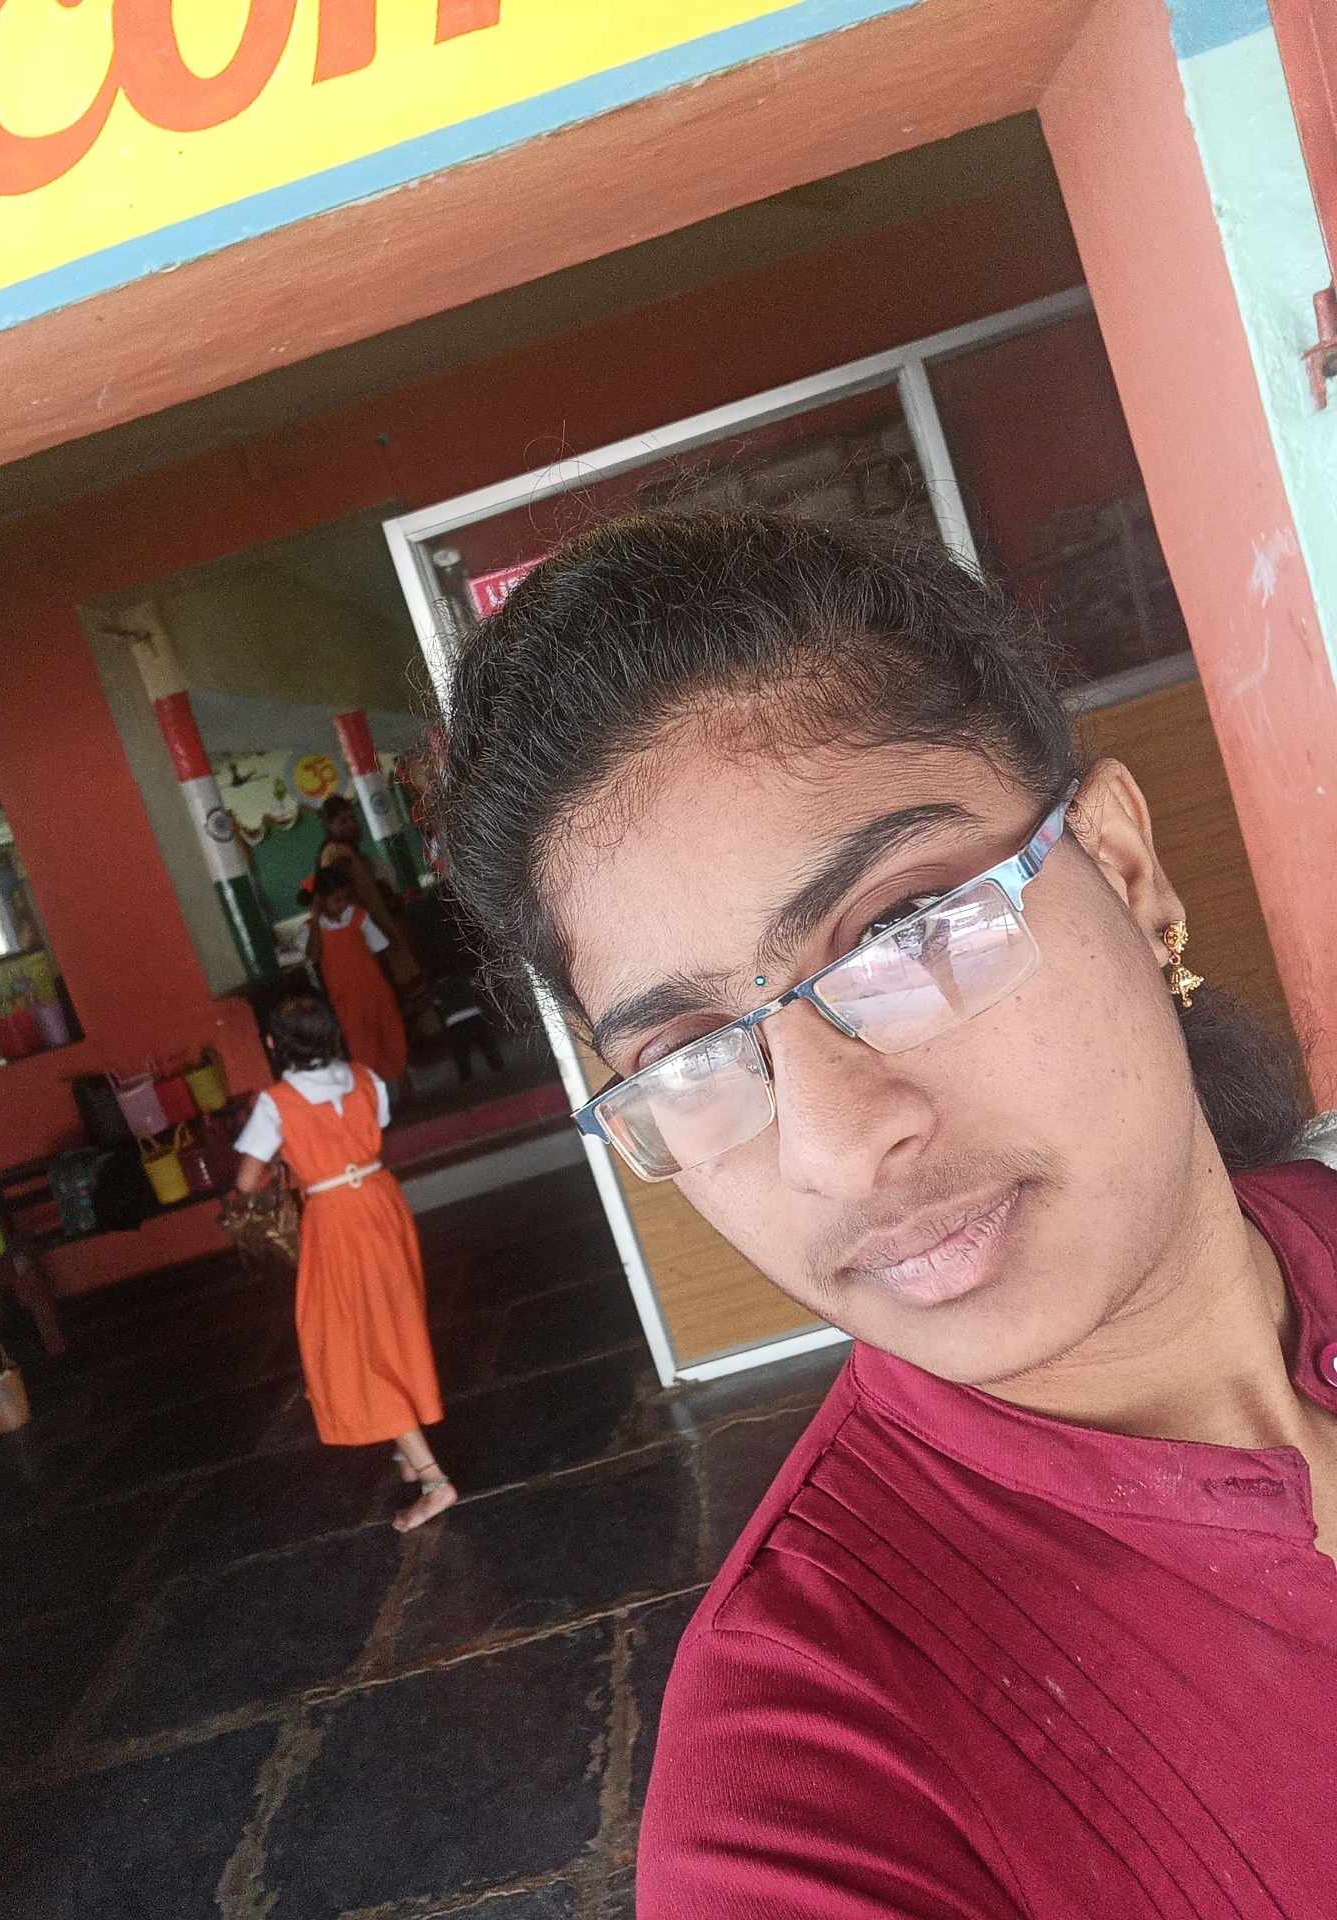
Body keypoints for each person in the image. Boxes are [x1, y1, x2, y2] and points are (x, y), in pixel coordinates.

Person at [430, 509, 1337, 1916]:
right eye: (690, 1057)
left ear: (1124, 868)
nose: (839, 1148)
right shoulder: (813, 1779)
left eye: (905, 930)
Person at [232, 992, 455, 1531]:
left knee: (352, 1342)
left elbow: (246, 1180)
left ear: (273, 1044)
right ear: (332, 1034)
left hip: (335, 1219)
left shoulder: (276, 1103)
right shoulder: (365, 1078)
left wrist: (289, 1167)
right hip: (381, 1202)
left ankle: (433, 1479)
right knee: (393, 1323)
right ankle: (408, 1450)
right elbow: (373, 1129)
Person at [317, 793, 439, 1039]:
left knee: (407, 986)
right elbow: (344, 899)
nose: (351, 825)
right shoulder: (336, 854)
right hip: (371, 939)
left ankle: (423, 1039)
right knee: (396, 991)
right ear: (329, 826)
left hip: (382, 930)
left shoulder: (350, 851)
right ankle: (417, 1042)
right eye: (342, 821)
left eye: (352, 818)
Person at [306, 866, 409, 1085]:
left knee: (390, 1037)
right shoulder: (314, 928)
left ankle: (404, 1084)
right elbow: (312, 955)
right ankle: (372, 1092)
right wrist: (315, 919)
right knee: (360, 1047)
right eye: (337, 900)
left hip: (375, 991)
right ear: (320, 901)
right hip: (345, 1000)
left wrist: (390, 988)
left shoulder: (359, 917)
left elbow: (380, 953)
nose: (343, 904)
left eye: (346, 898)